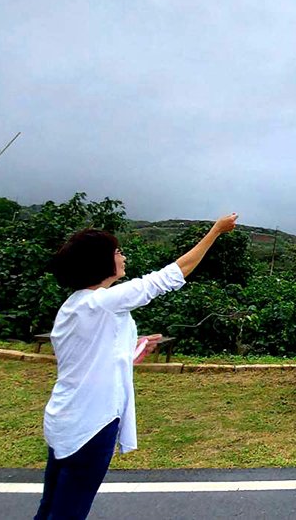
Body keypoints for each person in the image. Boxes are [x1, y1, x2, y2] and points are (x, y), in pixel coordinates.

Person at [34, 213, 238, 520]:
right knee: (68, 514)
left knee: (52, 507)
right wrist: (215, 232)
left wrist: (136, 346)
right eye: (117, 252)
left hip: (66, 419)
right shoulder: (101, 302)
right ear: (99, 262)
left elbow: (90, 356)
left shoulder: (77, 306)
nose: (123, 256)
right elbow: (171, 275)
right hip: (91, 425)